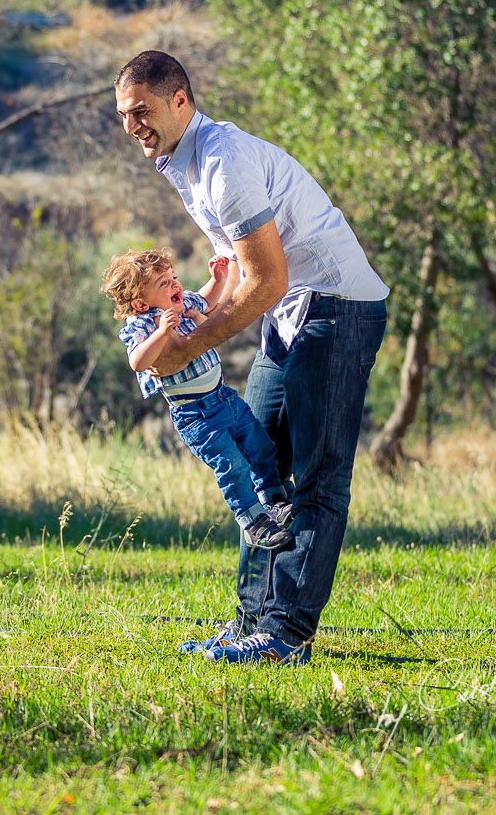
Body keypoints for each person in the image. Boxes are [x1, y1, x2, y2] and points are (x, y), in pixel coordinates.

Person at [114, 50, 389, 666]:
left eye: (142, 111)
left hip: (337, 307)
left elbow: (266, 280)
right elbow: (245, 280)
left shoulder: (221, 163)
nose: (133, 125)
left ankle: (285, 636)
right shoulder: (183, 164)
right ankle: (249, 626)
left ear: (179, 100)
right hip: (289, 313)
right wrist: (192, 319)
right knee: (257, 463)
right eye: (124, 115)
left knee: (318, 477)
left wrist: (190, 342)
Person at [101, 247, 293, 550]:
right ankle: (253, 521)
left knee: (260, 445)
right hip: (196, 416)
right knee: (231, 464)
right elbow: (138, 362)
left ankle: (274, 499)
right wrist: (161, 333)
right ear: (140, 302)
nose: (175, 285)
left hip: (224, 397)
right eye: (163, 284)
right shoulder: (143, 325)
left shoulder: (183, 303)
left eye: (173, 277)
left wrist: (217, 278)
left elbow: (205, 300)